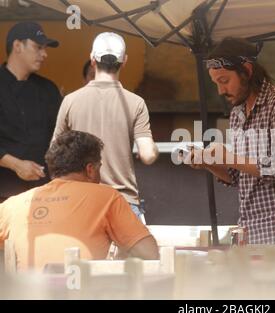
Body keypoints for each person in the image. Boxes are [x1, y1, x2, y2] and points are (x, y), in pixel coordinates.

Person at [185, 37, 275, 244]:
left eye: (224, 81)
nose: (221, 91)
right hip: (252, 233)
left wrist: (228, 156)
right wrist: (209, 163)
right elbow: (238, 177)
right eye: (216, 83)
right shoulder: (237, 113)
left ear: (246, 70)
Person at [0, 131, 159, 272]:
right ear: (90, 169)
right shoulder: (106, 197)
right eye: (99, 167)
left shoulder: (12, 204)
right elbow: (149, 254)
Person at [53, 32, 159, 223]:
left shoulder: (70, 101)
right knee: (131, 255)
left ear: (92, 59)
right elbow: (148, 156)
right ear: (124, 61)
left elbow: (55, 155)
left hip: (80, 201)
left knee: (81, 254)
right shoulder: (136, 103)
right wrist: (153, 147)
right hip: (123, 203)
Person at [0, 22, 62, 203]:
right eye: (38, 47)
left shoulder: (48, 89)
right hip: (3, 193)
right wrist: (16, 165)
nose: (44, 54)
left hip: (44, 193)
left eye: (45, 49)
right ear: (17, 46)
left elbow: (60, 136)